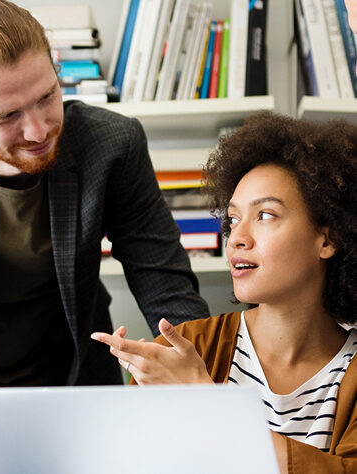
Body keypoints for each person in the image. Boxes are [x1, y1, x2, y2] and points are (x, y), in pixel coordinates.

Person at [0, 0, 209, 387]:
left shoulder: (111, 144)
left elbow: (163, 278)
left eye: (46, 97)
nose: (39, 131)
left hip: (74, 378)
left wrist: (203, 376)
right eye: (7, 115)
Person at [92, 111, 357, 472]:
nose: (236, 239)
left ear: (328, 239)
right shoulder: (184, 349)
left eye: (265, 215)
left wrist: (204, 399)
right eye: (233, 219)